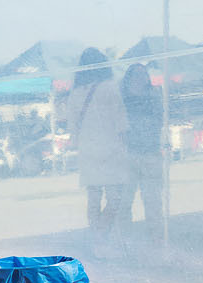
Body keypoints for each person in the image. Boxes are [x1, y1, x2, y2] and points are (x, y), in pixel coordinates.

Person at [68, 47, 129, 233]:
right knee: (114, 198)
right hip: (110, 148)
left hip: (88, 151)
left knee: (93, 198)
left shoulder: (75, 93)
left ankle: (96, 235)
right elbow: (121, 122)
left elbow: (72, 127)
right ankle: (102, 230)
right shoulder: (110, 87)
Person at [118, 62, 165, 232]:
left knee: (153, 199)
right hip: (127, 155)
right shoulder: (121, 98)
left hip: (151, 154)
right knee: (124, 199)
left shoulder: (154, 96)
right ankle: (125, 234)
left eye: (143, 74)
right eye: (136, 74)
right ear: (128, 78)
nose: (140, 78)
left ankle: (156, 235)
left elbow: (160, 120)